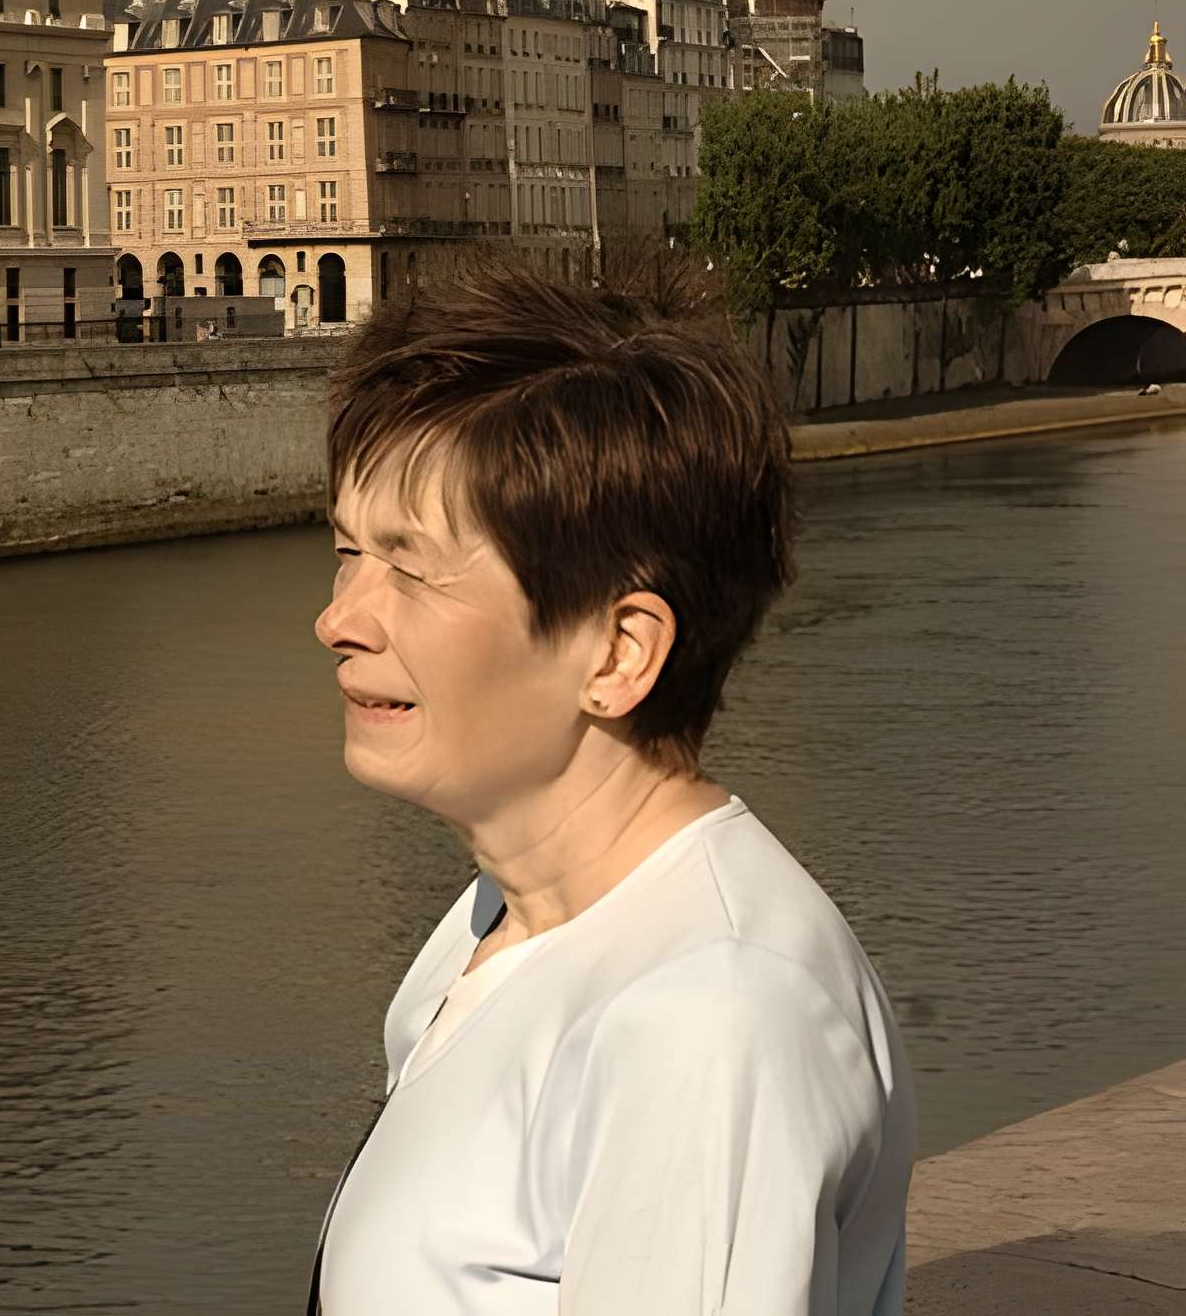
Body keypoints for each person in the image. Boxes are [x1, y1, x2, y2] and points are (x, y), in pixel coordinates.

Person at [311, 253, 911, 1312]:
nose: (339, 619)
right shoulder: (497, 915)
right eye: (346, 553)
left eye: (408, 567)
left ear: (616, 652)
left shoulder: (712, 1014)